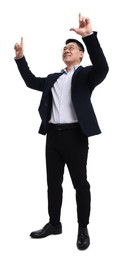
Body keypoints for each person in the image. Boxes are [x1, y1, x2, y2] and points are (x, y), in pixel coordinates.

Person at [14, 13, 109, 250]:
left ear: (80, 54)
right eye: (65, 48)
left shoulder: (86, 75)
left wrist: (88, 37)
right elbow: (29, 81)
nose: (67, 50)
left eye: (72, 47)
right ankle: (54, 224)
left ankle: (83, 227)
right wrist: (20, 59)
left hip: (76, 136)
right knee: (53, 184)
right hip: (53, 137)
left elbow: (103, 68)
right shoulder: (53, 78)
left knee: (80, 184)